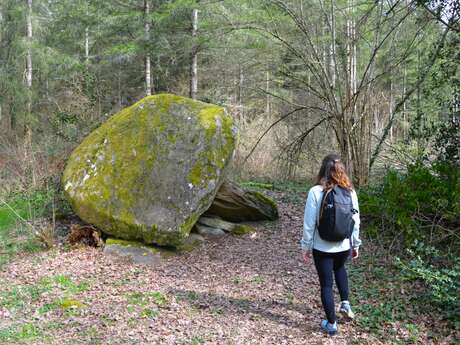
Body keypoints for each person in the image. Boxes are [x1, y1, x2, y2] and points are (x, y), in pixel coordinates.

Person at [300, 153, 361, 336]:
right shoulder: (350, 190)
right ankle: (345, 303)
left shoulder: (315, 192)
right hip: (343, 246)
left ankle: (332, 324)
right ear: (341, 169)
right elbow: (355, 220)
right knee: (340, 269)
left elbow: (309, 223)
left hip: (322, 247)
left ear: (322, 169)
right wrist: (355, 244)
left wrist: (306, 247)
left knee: (326, 285)